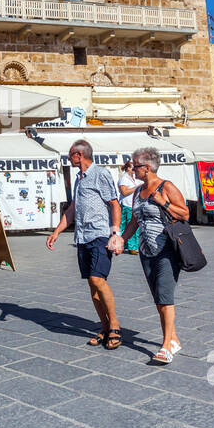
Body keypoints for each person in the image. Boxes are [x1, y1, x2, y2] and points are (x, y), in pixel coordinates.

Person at [47, 139, 124, 349]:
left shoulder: (101, 174)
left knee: (97, 279)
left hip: (99, 234)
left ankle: (115, 325)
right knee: (92, 284)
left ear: (79, 155)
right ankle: (105, 326)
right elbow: (72, 209)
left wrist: (115, 233)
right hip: (82, 236)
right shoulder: (79, 178)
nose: (68, 158)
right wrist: (57, 232)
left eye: (70, 154)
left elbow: (114, 204)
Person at [117, 147, 187, 365]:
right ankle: (173, 338)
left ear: (146, 168)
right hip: (146, 251)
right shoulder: (137, 192)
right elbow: (135, 221)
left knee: (166, 297)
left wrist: (163, 202)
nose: (132, 169)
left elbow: (184, 213)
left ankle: (166, 346)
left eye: (135, 166)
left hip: (166, 249)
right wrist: (122, 238)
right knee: (158, 299)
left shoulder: (167, 187)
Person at [117, 159, 139, 253]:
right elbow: (124, 192)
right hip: (127, 205)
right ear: (128, 168)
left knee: (128, 225)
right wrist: (136, 188)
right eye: (132, 167)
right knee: (130, 225)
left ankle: (125, 245)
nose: (134, 169)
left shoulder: (132, 178)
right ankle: (132, 247)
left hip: (132, 204)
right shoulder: (124, 178)